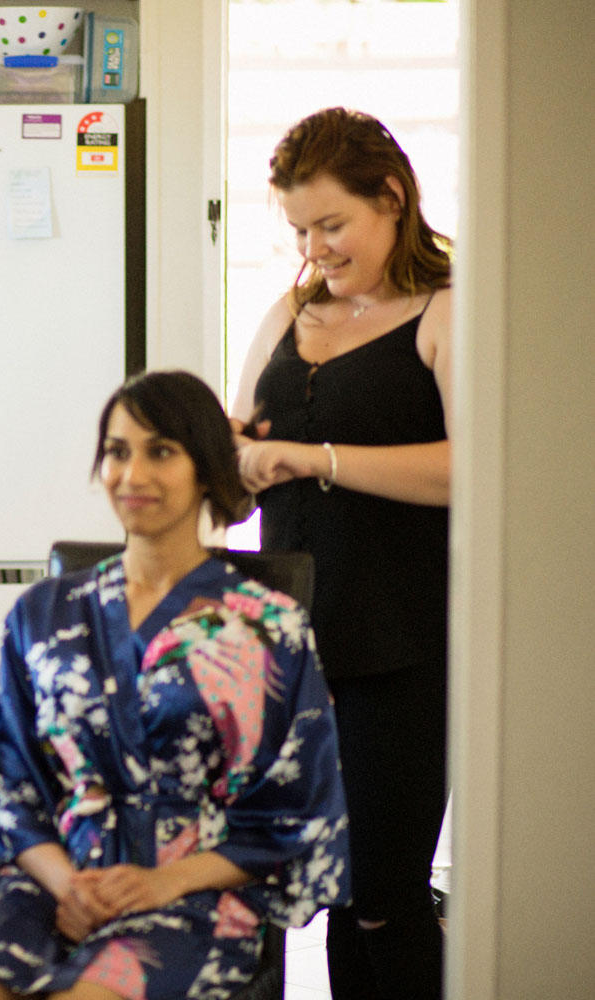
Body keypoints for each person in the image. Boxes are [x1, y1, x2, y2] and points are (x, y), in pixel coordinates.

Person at [0, 371, 349, 1000]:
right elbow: (9, 782)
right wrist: (67, 885)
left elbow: (296, 809)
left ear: (206, 468)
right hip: (56, 884)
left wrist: (163, 882)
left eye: (160, 451)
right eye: (117, 451)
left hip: (193, 894)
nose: (132, 474)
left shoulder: (269, 628)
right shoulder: (44, 614)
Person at [229, 107, 452, 1000]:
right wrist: (228, 458)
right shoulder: (291, 310)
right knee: (295, 889)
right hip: (283, 652)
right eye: (298, 229)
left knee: (381, 893)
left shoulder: (446, 311)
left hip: (400, 645)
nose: (315, 248)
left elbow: (470, 469)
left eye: (332, 224)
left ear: (391, 198)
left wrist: (312, 460)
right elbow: (243, 446)